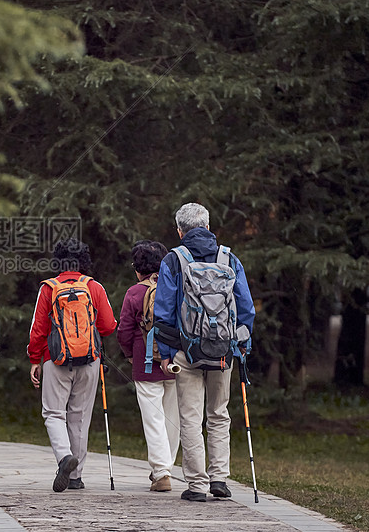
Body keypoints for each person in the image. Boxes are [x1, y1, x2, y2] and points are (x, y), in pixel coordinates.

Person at [155, 203, 255, 502]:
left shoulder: (174, 260)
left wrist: (166, 352)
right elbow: (246, 307)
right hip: (224, 350)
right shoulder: (228, 258)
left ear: (179, 230)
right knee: (219, 414)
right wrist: (240, 346)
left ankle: (197, 485)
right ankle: (220, 479)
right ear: (209, 227)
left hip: (186, 352)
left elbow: (164, 311)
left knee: (190, 416)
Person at [27, 238, 117, 492]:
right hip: (90, 359)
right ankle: (75, 476)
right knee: (79, 416)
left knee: (54, 413)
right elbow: (109, 325)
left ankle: (64, 456)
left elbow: (38, 330)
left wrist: (35, 359)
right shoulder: (93, 287)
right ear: (84, 261)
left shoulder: (48, 288)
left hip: (55, 359)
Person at [116, 240, 180, 493]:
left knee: (153, 419)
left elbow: (124, 329)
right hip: (175, 362)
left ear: (137, 268)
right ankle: (166, 467)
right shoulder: (173, 287)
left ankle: (161, 471)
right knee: (172, 418)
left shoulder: (134, 293)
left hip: (145, 363)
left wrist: (129, 353)